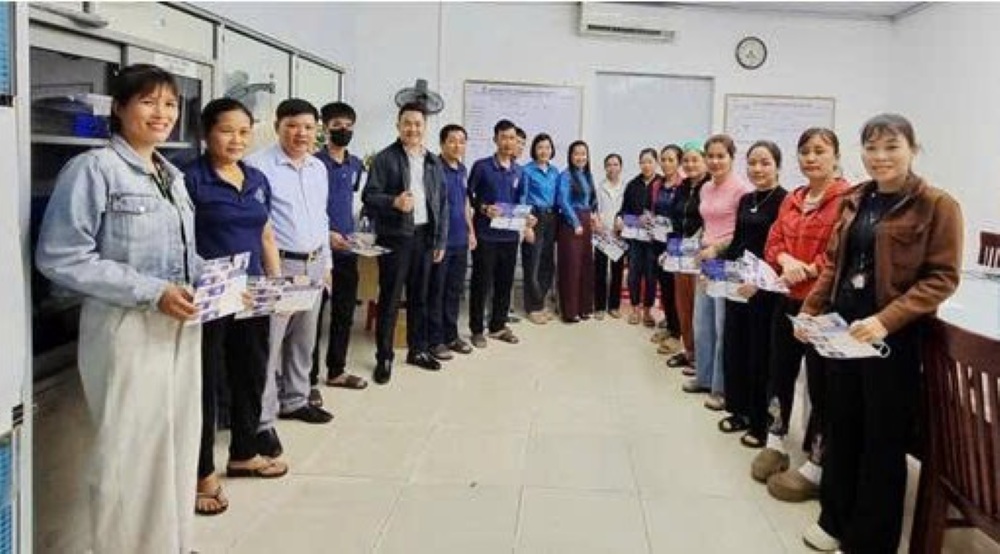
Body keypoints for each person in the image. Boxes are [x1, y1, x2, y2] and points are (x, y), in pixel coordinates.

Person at [35, 63, 203, 552]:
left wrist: (220, 282)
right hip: (127, 324)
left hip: (180, 323)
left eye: (170, 104)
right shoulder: (94, 169)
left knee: (175, 442)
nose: (162, 113)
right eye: (148, 102)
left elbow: (182, 253)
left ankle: (169, 543)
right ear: (120, 108)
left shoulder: (170, 174)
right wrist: (152, 291)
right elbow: (61, 256)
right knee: (130, 454)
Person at [798, 114, 962, 553]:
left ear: (913, 148)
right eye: (871, 147)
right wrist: (811, 309)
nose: (881, 156)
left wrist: (886, 319)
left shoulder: (937, 204)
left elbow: (941, 278)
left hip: (892, 339)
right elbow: (835, 262)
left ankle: (868, 539)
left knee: (882, 440)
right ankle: (834, 518)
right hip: (842, 333)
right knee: (841, 425)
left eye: (892, 146)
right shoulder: (856, 199)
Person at [185, 98, 288, 518]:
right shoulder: (190, 179)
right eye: (227, 130)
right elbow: (182, 242)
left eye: (244, 131)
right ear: (207, 133)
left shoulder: (256, 178)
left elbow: (265, 234)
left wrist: (276, 283)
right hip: (208, 299)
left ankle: (244, 451)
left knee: (251, 372)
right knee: (204, 383)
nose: (236, 139)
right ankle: (201, 471)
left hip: (252, 296)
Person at [751, 129, 852, 502]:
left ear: (835, 156)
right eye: (805, 152)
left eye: (819, 151)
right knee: (780, 373)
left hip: (824, 306)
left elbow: (840, 252)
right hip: (786, 299)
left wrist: (808, 269)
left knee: (821, 385)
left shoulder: (848, 200)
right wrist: (785, 260)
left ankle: (817, 462)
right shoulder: (793, 199)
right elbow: (773, 240)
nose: (811, 159)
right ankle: (775, 440)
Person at [246, 98, 335, 439]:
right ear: (277, 125)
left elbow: (322, 216)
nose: (301, 133)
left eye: (309, 127)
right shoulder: (257, 166)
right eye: (293, 126)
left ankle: (296, 400)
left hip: (312, 263)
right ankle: (262, 420)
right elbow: (255, 224)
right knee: (269, 345)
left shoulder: (318, 168)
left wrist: (326, 263)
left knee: (304, 339)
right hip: (277, 265)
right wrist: (268, 270)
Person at [362, 102, 449, 384]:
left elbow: (443, 204)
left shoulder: (434, 161)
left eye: (418, 124)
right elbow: (369, 196)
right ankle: (384, 356)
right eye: (407, 123)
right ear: (398, 126)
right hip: (396, 237)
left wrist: (440, 240)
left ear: (425, 128)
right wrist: (394, 202)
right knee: (390, 298)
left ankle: (417, 349)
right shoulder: (385, 158)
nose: (413, 128)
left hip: (425, 236)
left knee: (420, 297)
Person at [716, 141, 787, 449]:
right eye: (753, 163)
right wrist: (718, 272)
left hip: (765, 291)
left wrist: (760, 282)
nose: (758, 169)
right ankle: (739, 409)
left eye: (765, 163)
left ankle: (760, 423)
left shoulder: (785, 201)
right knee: (735, 348)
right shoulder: (746, 200)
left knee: (760, 356)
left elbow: (780, 249)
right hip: (737, 285)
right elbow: (738, 243)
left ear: (777, 166)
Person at [682, 134, 751, 411]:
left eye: (721, 156)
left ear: (732, 158)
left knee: (724, 327)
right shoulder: (705, 188)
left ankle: (722, 388)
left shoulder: (741, 190)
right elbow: (706, 222)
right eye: (710, 156)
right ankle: (704, 377)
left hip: (728, 262)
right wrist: (697, 246)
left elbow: (742, 232)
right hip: (706, 260)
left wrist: (717, 249)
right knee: (703, 322)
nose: (715, 161)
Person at [310, 101, 369, 395]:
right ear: (325, 128)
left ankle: (336, 370)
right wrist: (326, 233)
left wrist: (358, 234)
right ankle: (306, 381)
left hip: (346, 251)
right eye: (336, 126)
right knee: (312, 318)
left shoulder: (357, 164)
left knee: (344, 314)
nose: (343, 130)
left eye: (348, 126)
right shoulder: (313, 163)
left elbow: (353, 202)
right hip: (318, 252)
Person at [468, 119, 523, 347]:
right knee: (482, 283)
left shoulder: (519, 171)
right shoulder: (481, 166)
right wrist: (484, 208)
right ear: (495, 139)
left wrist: (527, 219)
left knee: (504, 282)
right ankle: (477, 329)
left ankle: (498, 326)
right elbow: (469, 196)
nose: (508, 142)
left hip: (510, 236)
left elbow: (520, 202)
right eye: (504, 137)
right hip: (486, 236)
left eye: (512, 138)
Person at [428, 124, 476, 360]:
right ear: (442, 143)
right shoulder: (434, 168)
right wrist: (437, 241)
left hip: (460, 239)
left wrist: (471, 231)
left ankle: (451, 335)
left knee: (454, 291)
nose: (458, 146)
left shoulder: (463, 170)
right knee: (437, 290)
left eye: (461, 141)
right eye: (452, 141)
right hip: (441, 242)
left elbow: (466, 203)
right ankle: (434, 340)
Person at [664, 142, 710, 374]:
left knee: (699, 308)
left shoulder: (710, 187)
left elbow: (708, 221)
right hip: (679, 254)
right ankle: (688, 350)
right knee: (682, 304)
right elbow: (674, 220)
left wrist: (694, 243)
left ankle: (701, 358)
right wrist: (669, 249)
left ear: (704, 161)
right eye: (687, 161)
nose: (690, 165)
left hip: (699, 255)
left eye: (695, 160)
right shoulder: (681, 188)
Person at [616, 148, 664, 327]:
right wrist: (619, 218)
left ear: (656, 162)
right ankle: (635, 308)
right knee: (634, 273)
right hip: (634, 240)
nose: (646, 165)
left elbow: (666, 211)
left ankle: (647, 311)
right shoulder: (633, 184)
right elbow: (623, 209)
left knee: (651, 275)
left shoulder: (662, 183)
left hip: (653, 240)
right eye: (643, 161)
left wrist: (653, 219)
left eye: (650, 161)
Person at [519, 133, 561, 324]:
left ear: (552, 150)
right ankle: (532, 307)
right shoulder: (526, 171)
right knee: (532, 263)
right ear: (534, 150)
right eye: (540, 147)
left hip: (552, 217)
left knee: (547, 264)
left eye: (547, 147)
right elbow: (522, 197)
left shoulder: (555, 172)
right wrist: (525, 223)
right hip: (534, 217)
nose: (544, 151)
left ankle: (540, 301)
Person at [556, 140, 597, 322]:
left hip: (586, 221)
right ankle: (570, 311)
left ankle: (584, 307)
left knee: (585, 265)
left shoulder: (587, 175)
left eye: (583, 154)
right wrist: (575, 222)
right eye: (576, 154)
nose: (580, 157)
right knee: (571, 267)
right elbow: (563, 202)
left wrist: (593, 216)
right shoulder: (565, 176)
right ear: (570, 156)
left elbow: (591, 201)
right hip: (571, 223)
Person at [651, 144, 685, 352]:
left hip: (675, 244)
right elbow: (656, 212)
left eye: (671, 159)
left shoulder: (682, 186)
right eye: (663, 159)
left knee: (675, 289)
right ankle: (670, 323)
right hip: (658, 240)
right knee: (664, 286)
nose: (666, 164)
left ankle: (677, 333)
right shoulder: (658, 185)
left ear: (679, 162)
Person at [594, 153, 626, 319]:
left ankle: (614, 306)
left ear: (620, 167)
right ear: (605, 167)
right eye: (609, 165)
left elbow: (627, 210)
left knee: (617, 271)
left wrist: (622, 223)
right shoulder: (599, 187)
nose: (612, 168)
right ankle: (599, 306)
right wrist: (597, 223)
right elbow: (594, 209)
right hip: (602, 234)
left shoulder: (626, 188)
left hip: (618, 235)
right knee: (599, 270)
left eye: (615, 164)